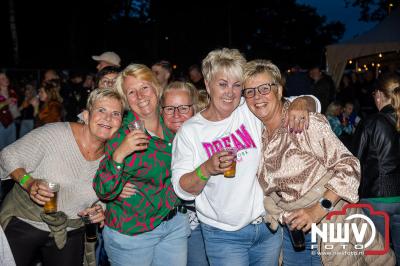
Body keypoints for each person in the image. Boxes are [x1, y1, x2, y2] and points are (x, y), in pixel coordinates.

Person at [171, 48, 318, 266]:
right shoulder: (191, 131)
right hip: (224, 236)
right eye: (222, 84)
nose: (230, 92)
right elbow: (182, 189)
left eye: (237, 85)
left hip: (268, 228)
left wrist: (299, 103)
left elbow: (313, 102)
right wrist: (207, 168)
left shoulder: (249, 109)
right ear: (208, 84)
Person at [243, 59, 394, 265]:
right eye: (250, 91)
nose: (257, 96)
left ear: (278, 90)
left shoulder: (305, 122)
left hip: (331, 225)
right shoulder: (255, 133)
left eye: (264, 88)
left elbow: (349, 167)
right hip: (292, 233)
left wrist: (318, 210)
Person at [0, 88, 124, 266]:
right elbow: (7, 155)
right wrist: (28, 182)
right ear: (86, 116)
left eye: (115, 114)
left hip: (70, 230)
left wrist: (99, 209)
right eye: (101, 110)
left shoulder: (115, 155)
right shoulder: (55, 134)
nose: (108, 118)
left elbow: (102, 193)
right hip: (25, 222)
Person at [93, 64, 190, 266]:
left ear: (156, 88)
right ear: (126, 99)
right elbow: (103, 189)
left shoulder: (172, 123)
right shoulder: (120, 133)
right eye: (131, 92)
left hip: (174, 225)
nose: (140, 96)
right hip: (132, 234)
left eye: (144, 87)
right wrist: (120, 154)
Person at [353, 73, 400, 263]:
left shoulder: (371, 122)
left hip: (376, 198)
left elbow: (353, 161)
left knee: (378, 257)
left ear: (379, 94)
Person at [0, 72, 18, 150]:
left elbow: (16, 109)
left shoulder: (12, 92)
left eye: (6, 77)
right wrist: (5, 102)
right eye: (2, 78)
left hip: (11, 122)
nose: (6, 79)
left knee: (12, 148)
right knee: (2, 149)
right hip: (1, 123)